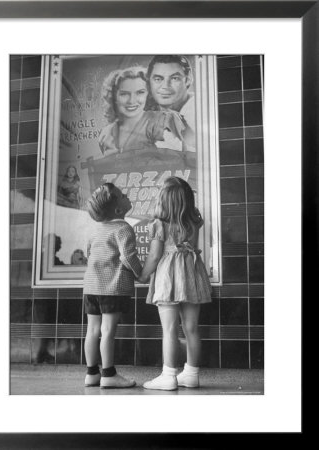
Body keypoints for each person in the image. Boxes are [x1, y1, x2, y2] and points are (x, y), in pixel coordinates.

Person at [138, 176, 212, 390]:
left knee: (170, 329)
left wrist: (143, 276)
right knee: (192, 328)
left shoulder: (159, 225)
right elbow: (190, 247)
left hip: (169, 277)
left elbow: (154, 256)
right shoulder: (193, 222)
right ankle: (191, 373)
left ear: (163, 201)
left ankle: (168, 375)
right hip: (191, 274)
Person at [83, 182, 142, 388]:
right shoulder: (123, 228)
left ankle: (92, 373)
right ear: (118, 209)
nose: (126, 195)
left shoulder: (95, 231)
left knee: (92, 330)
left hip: (91, 287)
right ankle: (108, 374)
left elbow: (89, 255)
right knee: (108, 331)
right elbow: (128, 257)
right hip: (112, 287)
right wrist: (141, 274)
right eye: (122, 194)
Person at [99, 66, 186, 156]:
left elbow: (176, 163)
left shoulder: (162, 121)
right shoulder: (106, 134)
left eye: (140, 92)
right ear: (114, 97)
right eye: (124, 94)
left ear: (149, 94)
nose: (131, 101)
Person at [147, 55, 195, 149]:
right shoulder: (147, 112)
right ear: (149, 82)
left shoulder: (199, 112)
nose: (165, 86)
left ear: (188, 80)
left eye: (174, 78)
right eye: (158, 79)